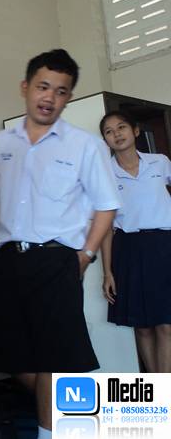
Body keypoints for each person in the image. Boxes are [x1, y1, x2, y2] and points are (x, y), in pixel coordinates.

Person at [0, 49, 121, 439]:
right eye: (43, 87)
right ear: (25, 87)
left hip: (57, 260)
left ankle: (56, 431)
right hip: (6, 261)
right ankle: (85, 415)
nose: (50, 97)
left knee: (55, 359)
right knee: (8, 356)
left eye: (61, 91)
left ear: (69, 97)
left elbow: (107, 205)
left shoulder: (84, 145)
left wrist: (86, 255)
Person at [99, 110, 171, 372]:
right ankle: (156, 387)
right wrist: (107, 272)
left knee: (166, 324)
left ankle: (166, 390)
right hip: (128, 249)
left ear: (135, 131)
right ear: (105, 140)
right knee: (142, 327)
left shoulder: (159, 162)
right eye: (109, 131)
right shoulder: (104, 173)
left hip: (164, 246)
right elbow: (105, 227)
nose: (116, 134)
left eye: (121, 127)